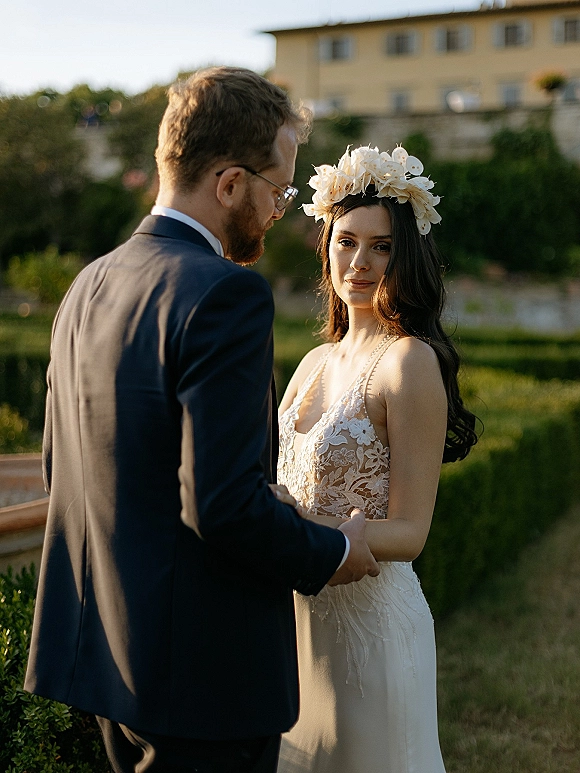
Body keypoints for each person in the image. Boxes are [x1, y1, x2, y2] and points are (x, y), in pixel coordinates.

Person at [24, 68, 380, 773]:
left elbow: (74, 463)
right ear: (228, 183)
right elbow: (220, 506)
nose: (282, 209)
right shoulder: (225, 295)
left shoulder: (88, 283)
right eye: (277, 190)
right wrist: (335, 553)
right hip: (200, 679)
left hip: (103, 661)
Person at [276, 145, 478, 773]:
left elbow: (412, 533)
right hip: (293, 620)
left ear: (406, 256)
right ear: (325, 245)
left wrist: (296, 531)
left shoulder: (408, 362)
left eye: (383, 247)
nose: (359, 262)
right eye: (346, 241)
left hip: (370, 628)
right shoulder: (311, 364)